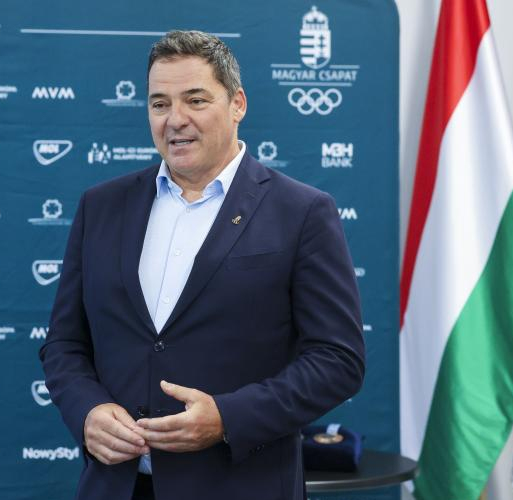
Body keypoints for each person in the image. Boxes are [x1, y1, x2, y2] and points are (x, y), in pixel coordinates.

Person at [39, 30, 365, 500]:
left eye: (195, 100)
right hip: (116, 486)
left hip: (242, 486)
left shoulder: (302, 212)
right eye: (160, 104)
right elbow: (64, 343)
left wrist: (228, 418)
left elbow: (338, 361)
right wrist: (87, 411)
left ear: (237, 104)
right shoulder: (101, 206)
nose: (176, 120)